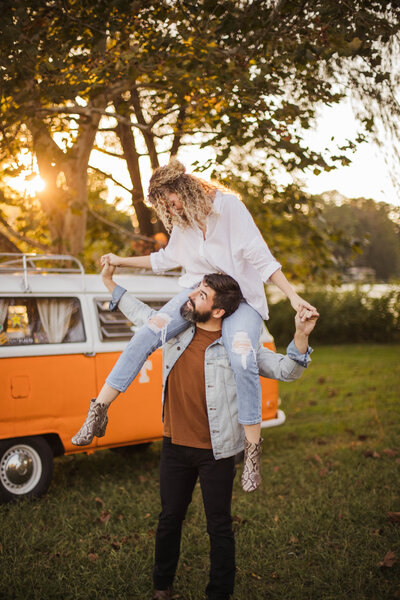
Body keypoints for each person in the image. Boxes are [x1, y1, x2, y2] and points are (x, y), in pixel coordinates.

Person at [72, 159, 318, 492]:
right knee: (146, 334)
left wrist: (291, 296)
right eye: (164, 204)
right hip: (198, 294)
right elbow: (163, 260)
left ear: (184, 187)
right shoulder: (183, 223)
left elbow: (261, 257)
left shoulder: (228, 208)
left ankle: (252, 451)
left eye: (170, 199)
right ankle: (98, 410)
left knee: (243, 357)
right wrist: (118, 261)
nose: (170, 208)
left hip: (241, 300)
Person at [99, 263, 318, 600]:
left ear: (217, 310)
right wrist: (110, 284)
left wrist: (301, 335)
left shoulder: (239, 346)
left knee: (219, 526)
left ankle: (219, 593)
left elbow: (287, 370)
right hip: (174, 446)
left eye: (201, 294)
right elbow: (143, 314)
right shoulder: (177, 331)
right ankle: (162, 587)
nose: (190, 296)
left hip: (218, 450)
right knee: (169, 519)